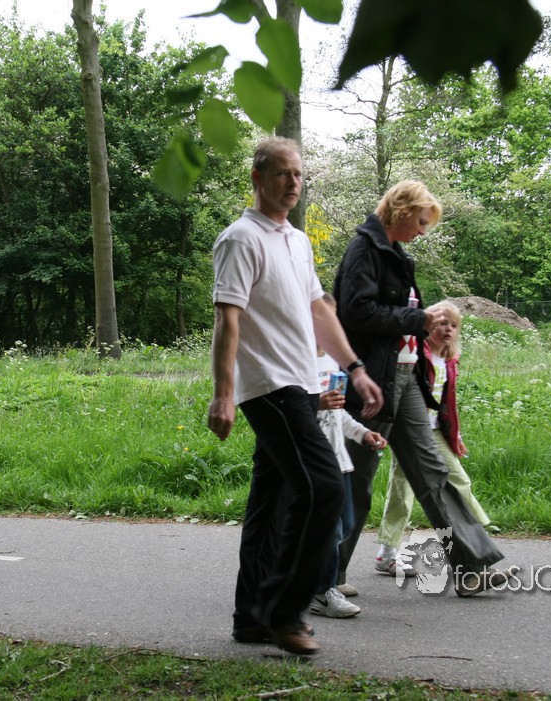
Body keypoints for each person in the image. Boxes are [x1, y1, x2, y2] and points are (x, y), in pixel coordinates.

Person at [207, 136, 383, 655]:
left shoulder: (297, 241)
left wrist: (354, 369)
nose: (293, 183)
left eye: (299, 174)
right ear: (258, 178)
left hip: (304, 385)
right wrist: (223, 394)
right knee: (323, 487)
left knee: (271, 504)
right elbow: (227, 320)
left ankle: (250, 618)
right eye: (283, 173)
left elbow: (319, 310)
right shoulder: (240, 239)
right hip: (269, 386)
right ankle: (286, 612)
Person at [332, 180, 512, 597]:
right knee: (355, 480)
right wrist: (417, 320)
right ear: (401, 211)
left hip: (406, 377)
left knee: (433, 472)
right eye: (421, 221)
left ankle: (471, 568)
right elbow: (355, 312)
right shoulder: (364, 249)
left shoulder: (398, 255)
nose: (422, 230)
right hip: (372, 380)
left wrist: (417, 322)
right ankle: (326, 576)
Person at [375, 300, 494, 572]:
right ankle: (387, 553)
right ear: (428, 325)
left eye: (453, 325)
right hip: (409, 432)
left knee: (459, 481)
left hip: (435, 432)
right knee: (402, 490)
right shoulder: (418, 354)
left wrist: (455, 434)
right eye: (442, 323)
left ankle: (471, 543)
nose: (448, 329)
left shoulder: (450, 360)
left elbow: (447, 403)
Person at [310, 293, 388, 618]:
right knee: (327, 528)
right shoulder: (297, 363)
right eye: (320, 319)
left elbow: (338, 413)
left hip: (339, 460)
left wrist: (362, 433)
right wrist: (315, 402)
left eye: (333, 320)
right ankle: (321, 591)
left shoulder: (332, 362)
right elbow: (284, 407)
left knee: (345, 523)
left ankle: (311, 583)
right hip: (311, 460)